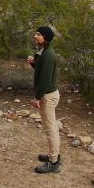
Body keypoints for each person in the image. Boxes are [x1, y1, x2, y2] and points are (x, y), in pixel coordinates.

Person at [27, 25, 61, 174]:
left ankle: (53, 162)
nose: (36, 36)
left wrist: (37, 98)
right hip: (49, 94)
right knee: (52, 127)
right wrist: (34, 64)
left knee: (50, 129)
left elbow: (45, 81)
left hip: (47, 96)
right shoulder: (45, 52)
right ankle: (54, 155)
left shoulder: (48, 55)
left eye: (39, 34)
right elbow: (42, 72)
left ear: (45, 38)